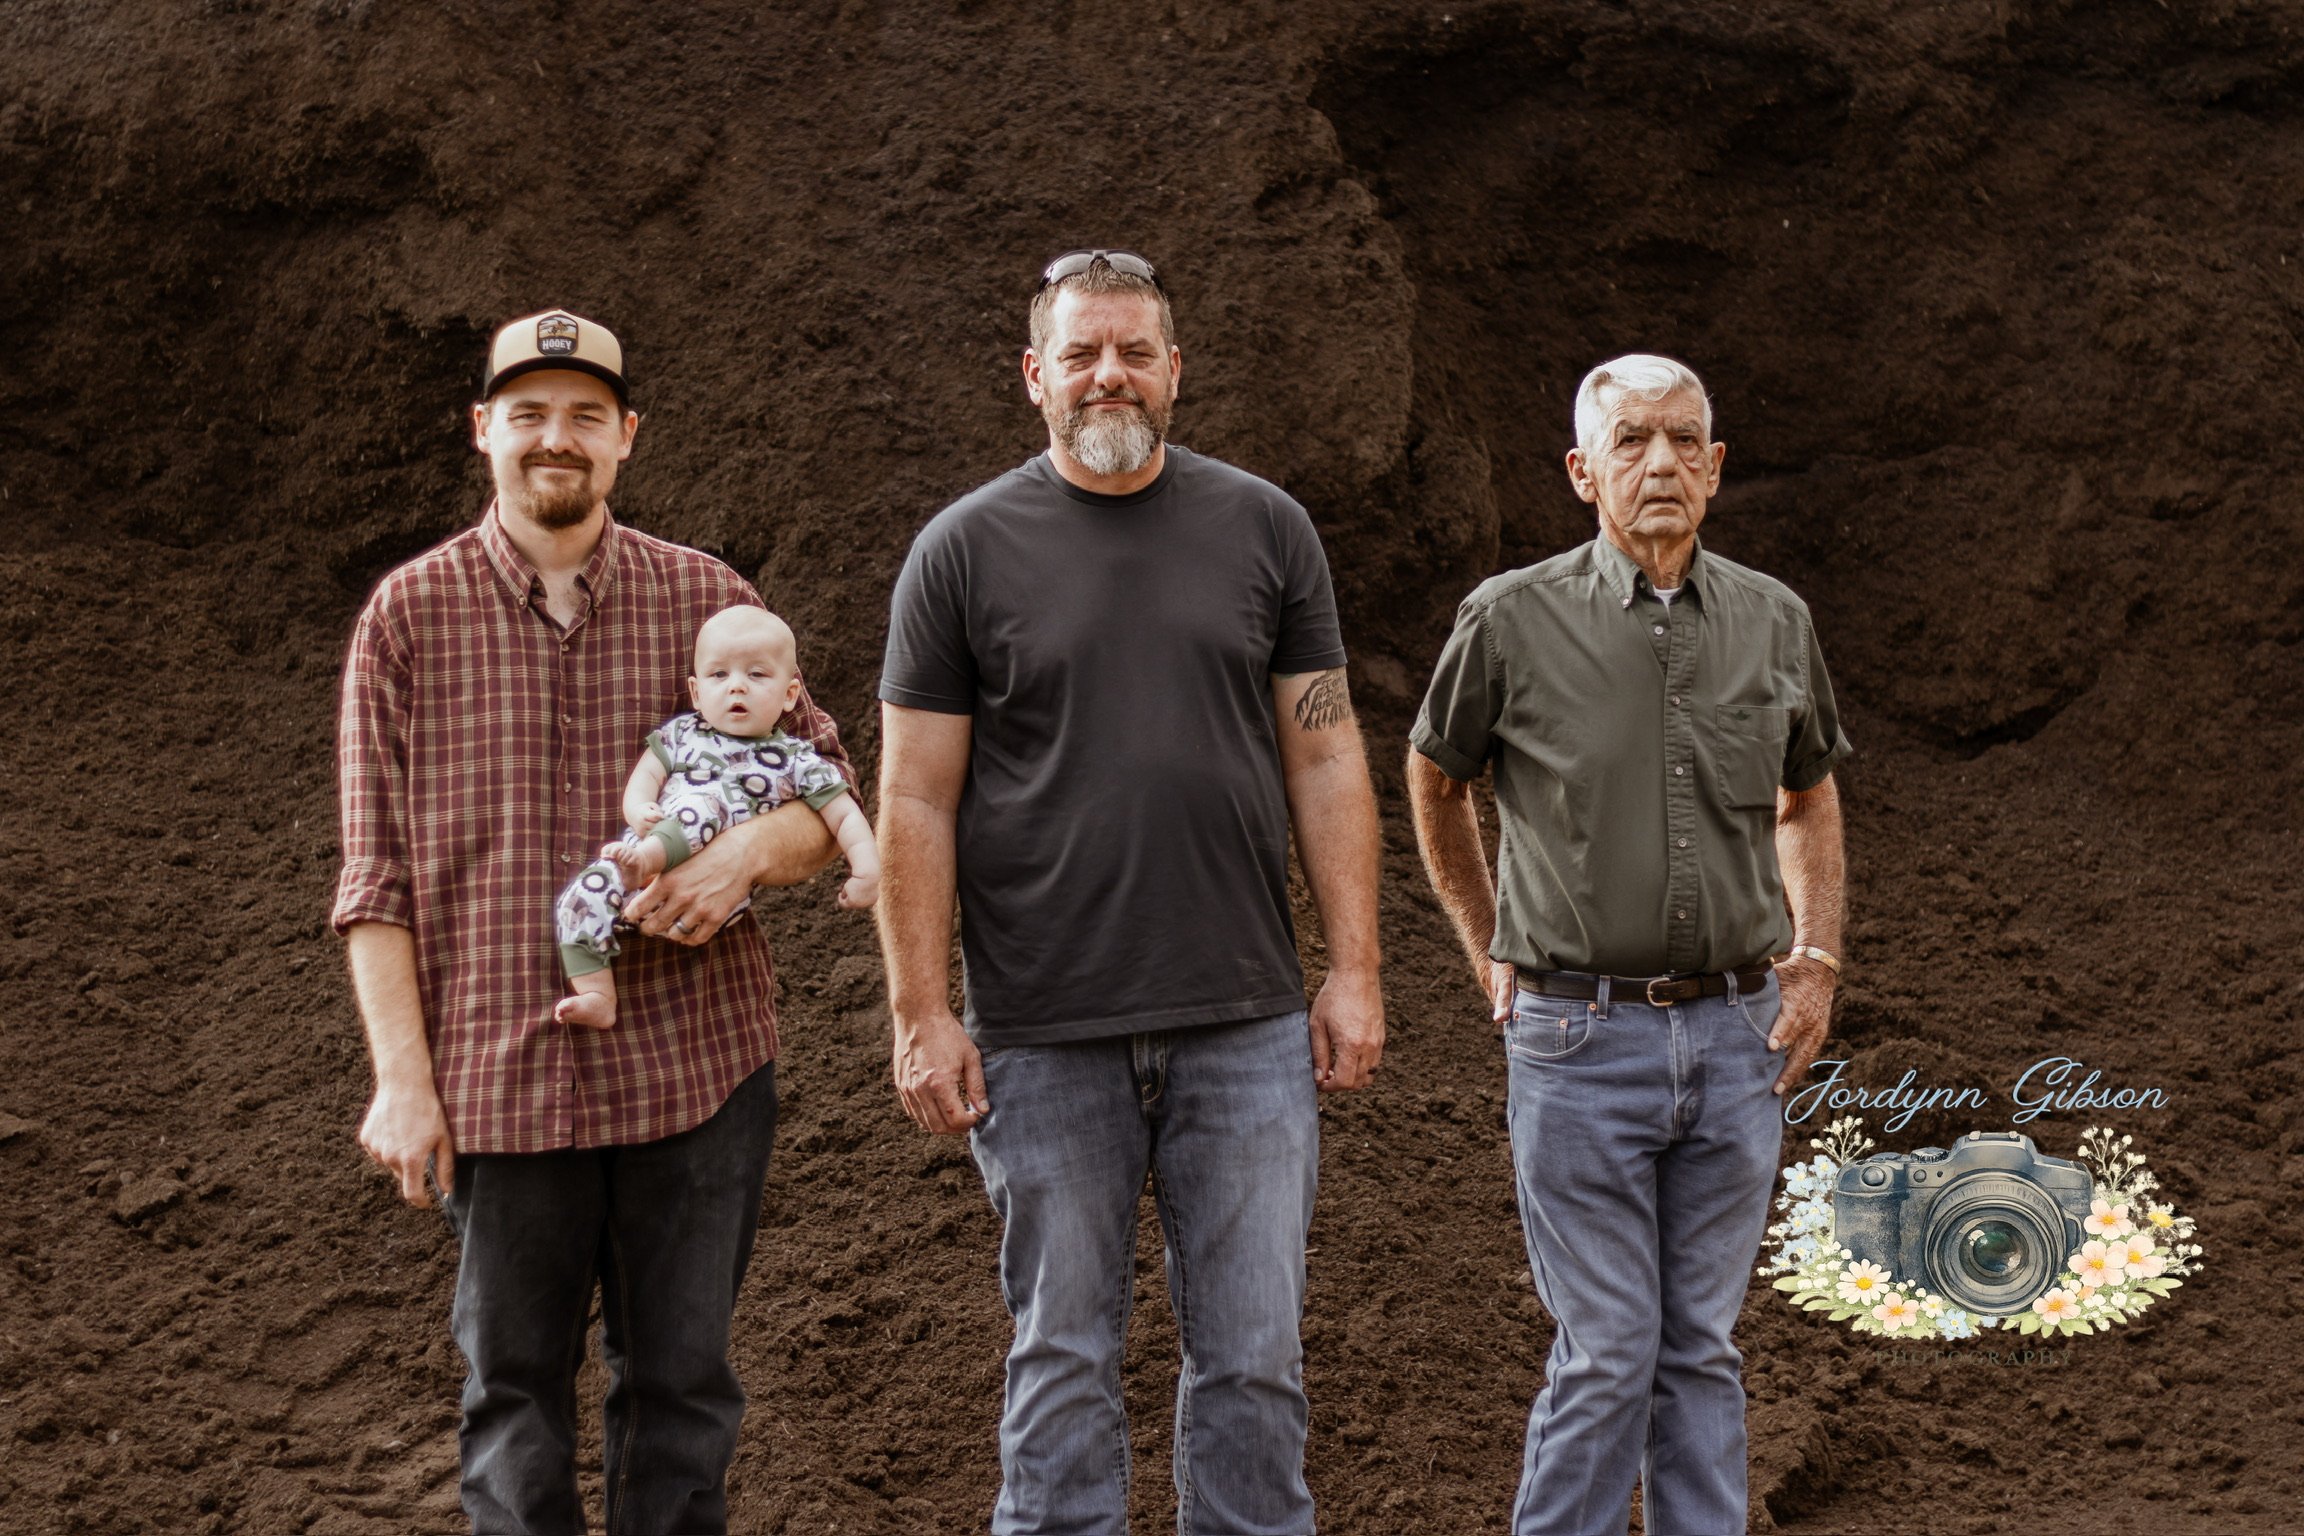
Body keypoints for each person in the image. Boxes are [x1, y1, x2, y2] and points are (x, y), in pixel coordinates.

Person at [875, 250, 1385, 1535]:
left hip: (1246, 1021)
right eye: (1084, 353)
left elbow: (1325, 754)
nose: (1112, 374)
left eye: (1137, 352)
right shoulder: (961, 553)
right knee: (1060, 1364)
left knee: (1256, 1365)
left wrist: (1356, 966)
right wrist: (921, 1009)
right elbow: (915, 799)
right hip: (1044, 1031)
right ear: (1036, 376)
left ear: (1176, 370)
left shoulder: (1267, 529)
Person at [332, 308, 852, 1534]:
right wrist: (402, 1081)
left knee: (681, 1394)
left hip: (694, 1070)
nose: (553, 440)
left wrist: (743, 858)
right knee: (511, 1401)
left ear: (624, 438)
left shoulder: (709, 600)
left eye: (582, 417)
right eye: (527, 415)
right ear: (483, 433)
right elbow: (375, 879)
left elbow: (828, 791)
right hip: (499, 1080)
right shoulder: (406, 620)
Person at [1405, 354, 1849, 1535]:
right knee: (1607, 1350)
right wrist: (1488, 938)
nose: (1658, 462)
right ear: (1581, 472)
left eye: (1681, 441)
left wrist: (1817, 960)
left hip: (1740, 1032)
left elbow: (1810, 800)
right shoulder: (1510, 619)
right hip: (1576, 1037)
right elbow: (1435, 780)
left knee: (1699, 1348)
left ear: (1714, 468)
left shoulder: (1774, 621)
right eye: (1631, 441)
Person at [554, 604, 879, 1029]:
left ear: (790, 695)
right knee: (579, 898)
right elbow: (645, 777)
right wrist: (638, 810)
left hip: (712, 890)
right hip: (640, 850)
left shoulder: (795, 759)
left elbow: (845, 817)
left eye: (757, 675)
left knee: (705, 804)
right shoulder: (683, 735)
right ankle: (597, 993)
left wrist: (867, 871)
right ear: (696, 692)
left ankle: (647, 862)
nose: (736, 688)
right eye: (719, 676)